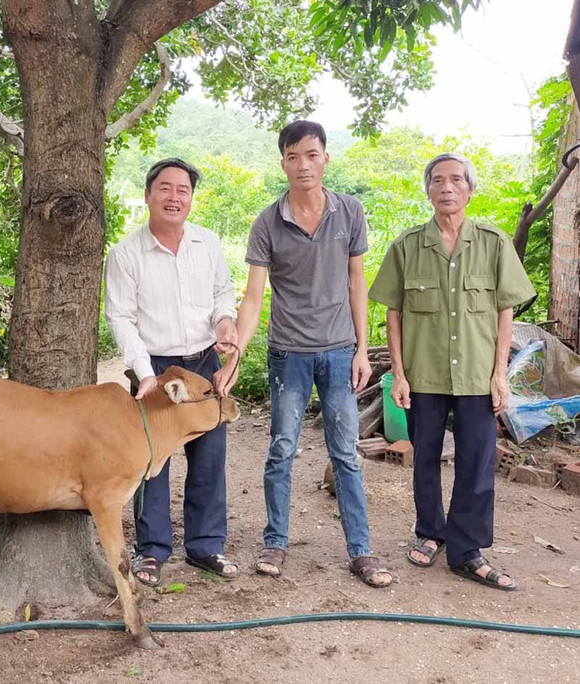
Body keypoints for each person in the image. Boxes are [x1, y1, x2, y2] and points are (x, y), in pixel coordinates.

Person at [214, 120, 391, 588]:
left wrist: (360, 349)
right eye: (293, 157)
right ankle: (276, 540)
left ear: (325, 159)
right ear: (283, 163)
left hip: (338, 352)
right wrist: (235, 355)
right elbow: (253, 298)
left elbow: (358, 281)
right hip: (287, 354)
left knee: (346, 452)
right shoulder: (267, 222)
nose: (303, 165)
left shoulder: (349, 212)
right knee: (281, 449)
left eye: (311, 155)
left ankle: (362, 550)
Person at [369, 152, 535, 591]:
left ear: (469, 189)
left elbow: (506, 312)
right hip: (423, 376)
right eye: (437, 180)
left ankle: (467, 551)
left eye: (456, 180)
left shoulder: (493, 242)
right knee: (425, 458)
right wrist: (399, 375)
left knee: (477, 464)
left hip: (478, 377)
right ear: (428, 189)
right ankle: (429, 532)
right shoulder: (407, 246)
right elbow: (394, 315)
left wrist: (501, 375)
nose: (446, 187)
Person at [104, 158, 240, 587]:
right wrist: (144, 373)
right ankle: (153, 550)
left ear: (191, 198)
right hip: (155, 370)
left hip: (203, 363)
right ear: (148, 195)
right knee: (151, 461)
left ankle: (206, 545)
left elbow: (222, 292)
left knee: (209, 455)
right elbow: (121, 318)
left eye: (183, 190)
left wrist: (224, 321)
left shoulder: (208, 243)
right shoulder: (126, 254)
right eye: (165, 188)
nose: (174, 197)